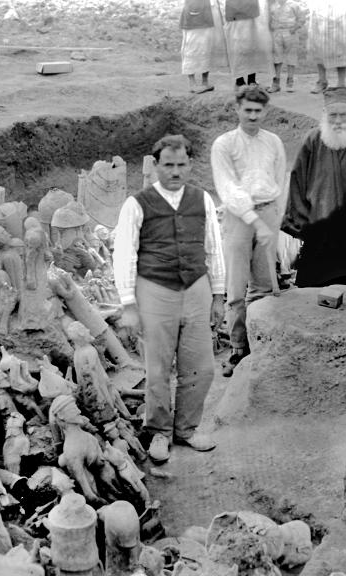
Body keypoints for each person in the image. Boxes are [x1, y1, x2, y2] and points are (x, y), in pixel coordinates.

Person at [113, 134, 225, 464]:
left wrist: (219, 295)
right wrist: (128, 304)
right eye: (168, 165)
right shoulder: (137, 204)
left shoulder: (202, 200)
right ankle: (160, 431)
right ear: (156, 165)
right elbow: (125, 254)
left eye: (181, 165)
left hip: (196, 289)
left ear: (190, 165)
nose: (175, 172)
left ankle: (187, 429)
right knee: (158, 368)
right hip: (155, 290)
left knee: (201, 367)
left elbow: (214, 248)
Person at [211, 86, 287, 377]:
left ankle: (260, 345)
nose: (253, 116)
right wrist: (255, 222)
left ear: (265, 111)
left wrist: (273, 218)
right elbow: (228, 188)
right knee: (236, 289)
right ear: (237, 109)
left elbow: (279, 180)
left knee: (264, 287)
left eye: (258, 111)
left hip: (267, 213)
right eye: (248, 110)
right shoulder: (224, 144)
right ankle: (238, 349)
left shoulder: (273, 142)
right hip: (238, 218)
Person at [282, 86, 346, 287]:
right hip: (319, 233)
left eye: (343, 115)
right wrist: (302, 228)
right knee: (311, 292)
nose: (338, 121)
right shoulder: (312, 140)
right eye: (332, 115)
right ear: (324, 114)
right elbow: (297, 184)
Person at [306, 0, 346, 94]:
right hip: (320, 13)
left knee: (340, 50)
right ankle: (322, 81)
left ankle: (341, 84)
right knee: (319, 48)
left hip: (340, 16)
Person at [224, 0, 274, 90]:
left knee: (251, 46)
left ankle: (251, 80)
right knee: (238, 48)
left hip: (250, 13)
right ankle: (240, 81)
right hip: (235, 15)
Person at [180, 0, 228, 93]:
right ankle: (192, 83)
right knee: (192, 47)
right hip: (194, 11)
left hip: (210, 11)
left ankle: (205, 81)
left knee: (207, 46)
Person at [267, 0, 304, 93]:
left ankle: (290, 83)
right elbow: (269, 20)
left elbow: (301, 18)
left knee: (291, 56)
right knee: (276, 57)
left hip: (290, 32)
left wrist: (295, 28)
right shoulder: (273, 5)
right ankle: (276, 83)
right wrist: (271, 29)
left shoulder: (293, 5)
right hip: (277, 32)